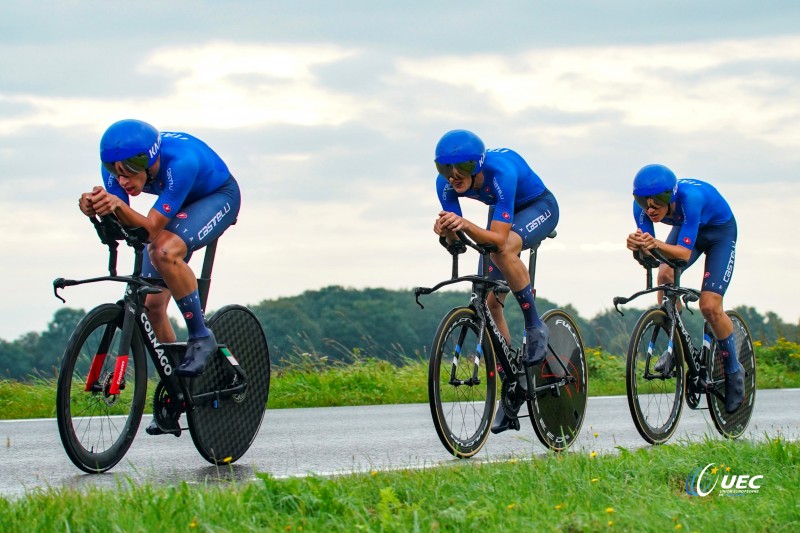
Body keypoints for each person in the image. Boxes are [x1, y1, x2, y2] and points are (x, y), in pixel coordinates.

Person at [78, 119, 241, 381]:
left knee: (163, 250)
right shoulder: (116, 167)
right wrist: (97, 208)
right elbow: (125, 225)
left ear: (148, 160)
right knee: (151, 305)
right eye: (115, 172)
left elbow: (151, 230)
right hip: (178, 203)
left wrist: (117, 206)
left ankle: (201, 336)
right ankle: (177, 392)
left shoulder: (180, 162)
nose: (121, 180)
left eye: (128, 173)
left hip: (217, 196)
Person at [432, 129, 559, 434]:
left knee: (502, 250)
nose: (453, 176)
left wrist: (464, 224)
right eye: (444, 168)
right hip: (501, 213)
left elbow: (499, 238)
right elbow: (460, 243)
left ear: (476, 164)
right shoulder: (446, 186)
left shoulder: (499, 172)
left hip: (538, 207)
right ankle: (512, 385)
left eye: (460, 167)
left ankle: (533, 323)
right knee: (489, 303)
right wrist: (447, 232)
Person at [625, 163, 744, 413]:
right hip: (688, 227)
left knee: (709, 306)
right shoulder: (643, 209)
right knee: (665, 275)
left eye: (658, 200)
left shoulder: (691, 199)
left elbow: (683, 253)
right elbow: (653, 257)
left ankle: (733, 369)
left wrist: (652, 243)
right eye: (643, 200)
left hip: (718, 233)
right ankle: (675, 345)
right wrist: (638, 247)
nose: (650, 208)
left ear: (672, 195)